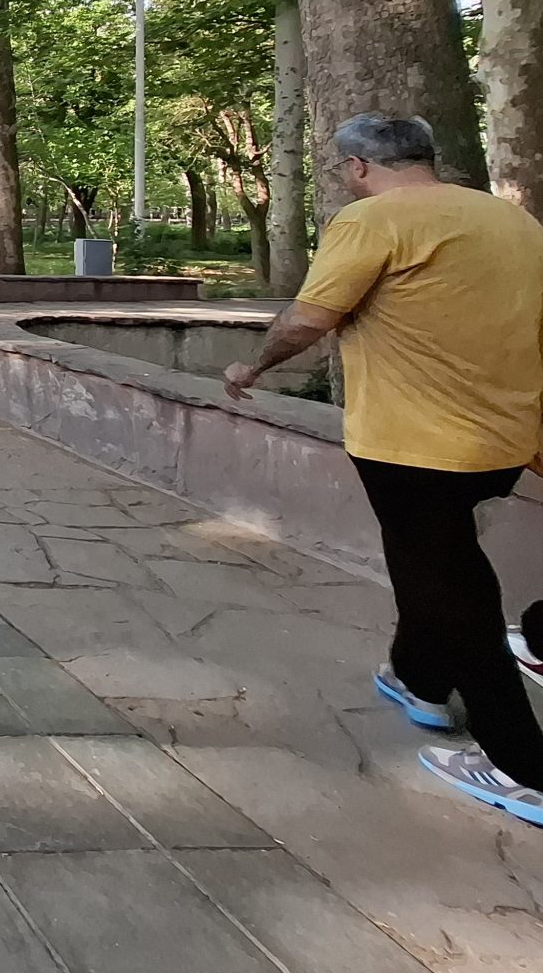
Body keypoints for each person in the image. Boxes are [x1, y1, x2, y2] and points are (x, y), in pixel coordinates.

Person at [222, 114, 543, 827]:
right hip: (504, 438)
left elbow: (310, 318)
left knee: (455, 590)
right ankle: (420, 680)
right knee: (428, 565)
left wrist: (255, 364)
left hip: (413, 444)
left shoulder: (371, 220)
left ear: (359, 167)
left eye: (342, 169)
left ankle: (522, 765)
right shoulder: (511, 220)